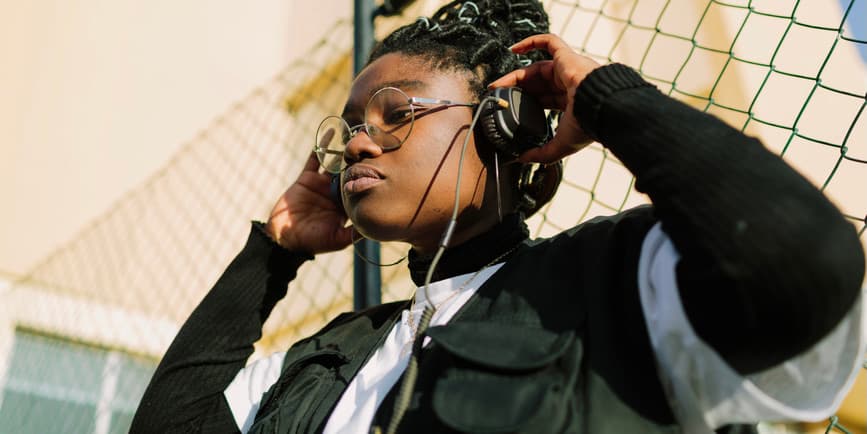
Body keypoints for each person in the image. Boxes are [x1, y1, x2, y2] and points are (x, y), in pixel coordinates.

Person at [130, 1, 866, 433]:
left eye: (397, 115)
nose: (356, 139)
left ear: (500, 125)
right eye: (349, 123)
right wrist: (273, 253)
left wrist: (606, 98)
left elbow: (804, 263)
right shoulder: (331, 352)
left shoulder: (616, 279)